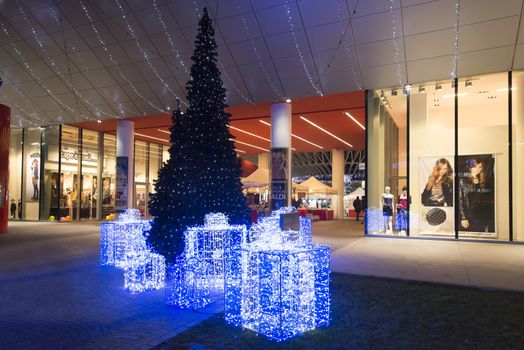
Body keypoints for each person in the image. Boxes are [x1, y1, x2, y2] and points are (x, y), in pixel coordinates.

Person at [459, 157, 494, 232]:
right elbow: (460, 200)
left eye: (480, 167)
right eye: (475, 166)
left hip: (481, 213)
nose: (477, 169)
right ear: (470, 167)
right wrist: (463, 218)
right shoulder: (463, 180)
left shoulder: (483, 179)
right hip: (469, 214)